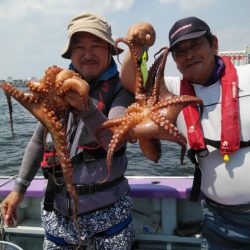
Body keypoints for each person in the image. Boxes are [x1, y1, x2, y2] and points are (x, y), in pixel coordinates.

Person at [1, 12, 135, 249]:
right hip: (57, 218)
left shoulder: (121, 91)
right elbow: (38, 142)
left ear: (109, 50)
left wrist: (85, 107)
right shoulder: (56, 89)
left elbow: (116, 142)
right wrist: (18, 189)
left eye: (96, 46)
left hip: (109, 218)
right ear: (70, 53)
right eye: (79, 47)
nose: (87, 54)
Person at [121, 17, 250, 249]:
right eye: (179, 51)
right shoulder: (172, 92)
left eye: (195, 45)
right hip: (217, 219)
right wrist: (137, 47)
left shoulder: (247, 77)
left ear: (214, 45)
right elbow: (132, 81)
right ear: (175, 60)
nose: (188, 55)